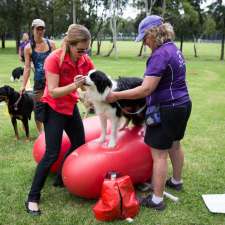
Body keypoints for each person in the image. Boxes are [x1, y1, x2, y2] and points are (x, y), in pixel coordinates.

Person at [106, 15, 192, 211]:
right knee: (175, 144)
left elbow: (146, 89)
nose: (144, 43)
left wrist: (116, 95)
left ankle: (156, 199)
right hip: (183, 104)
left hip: (166, 108)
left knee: (159, 154)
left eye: (145, 38)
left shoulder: (159, 54)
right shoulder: (174, 50)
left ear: (153, 34)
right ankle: (176, 181)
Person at [25, 24, 95, 216]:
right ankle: (32, 198)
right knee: (51, 153)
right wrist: (76, 85)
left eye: (86, 49)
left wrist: (89, 94)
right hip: (53, 108)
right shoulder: (53, 59)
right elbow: (54, 92)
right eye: (80, 49)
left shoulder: (84, 60)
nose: (83, 53)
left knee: (79, 142)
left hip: (70, 106)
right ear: (70, 44)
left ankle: (59, 177)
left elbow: (90, 81)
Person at [20, 19, 56, 133]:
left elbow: (58, 62)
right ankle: (42, 134)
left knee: (53, 108)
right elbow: (27, 67)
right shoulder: (28, 48)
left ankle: (53, 130)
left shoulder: (51, 44)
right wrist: (23, 85)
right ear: (33, 29)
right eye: (38, 28)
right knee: (38, 109)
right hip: (39, 82)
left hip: (52, 81)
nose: (40, 31)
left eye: (42, 28)